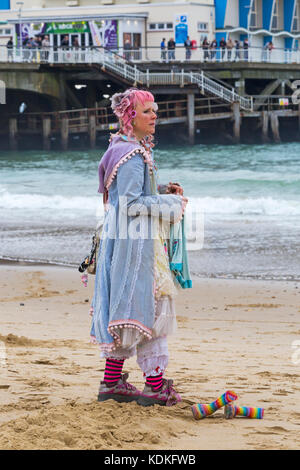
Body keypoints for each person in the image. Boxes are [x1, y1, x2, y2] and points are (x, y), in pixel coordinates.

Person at [90, 88, 190, 406]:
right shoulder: (132, 154)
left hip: (121, 241)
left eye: (155, 110)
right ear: (131, 117)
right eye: (147, 111)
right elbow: (132, 203)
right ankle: (155, 386)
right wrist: (171, 202)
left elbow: (124, 195)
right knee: (149, 309)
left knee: (127, 308)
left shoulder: (121, 147)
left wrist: (160, 189)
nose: (154, 116)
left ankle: (111, 383)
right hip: (135, 246)